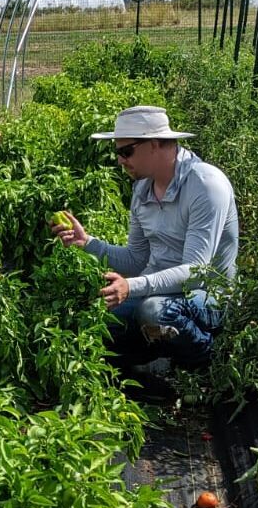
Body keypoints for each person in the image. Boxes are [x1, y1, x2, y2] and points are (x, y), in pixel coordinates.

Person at [52, 105, 238, 371]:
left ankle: (205, 363)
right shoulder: (142, 189)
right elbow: (137, 259)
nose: (120, 160)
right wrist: (89, 244)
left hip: (206, 296)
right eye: (118, 152)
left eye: (126, 151)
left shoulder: (205, 185)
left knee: (154, 312)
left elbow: (195, 273)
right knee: (98, 324)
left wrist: (131, 287)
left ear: (154, 144)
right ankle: (154, 363)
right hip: (158, 291)